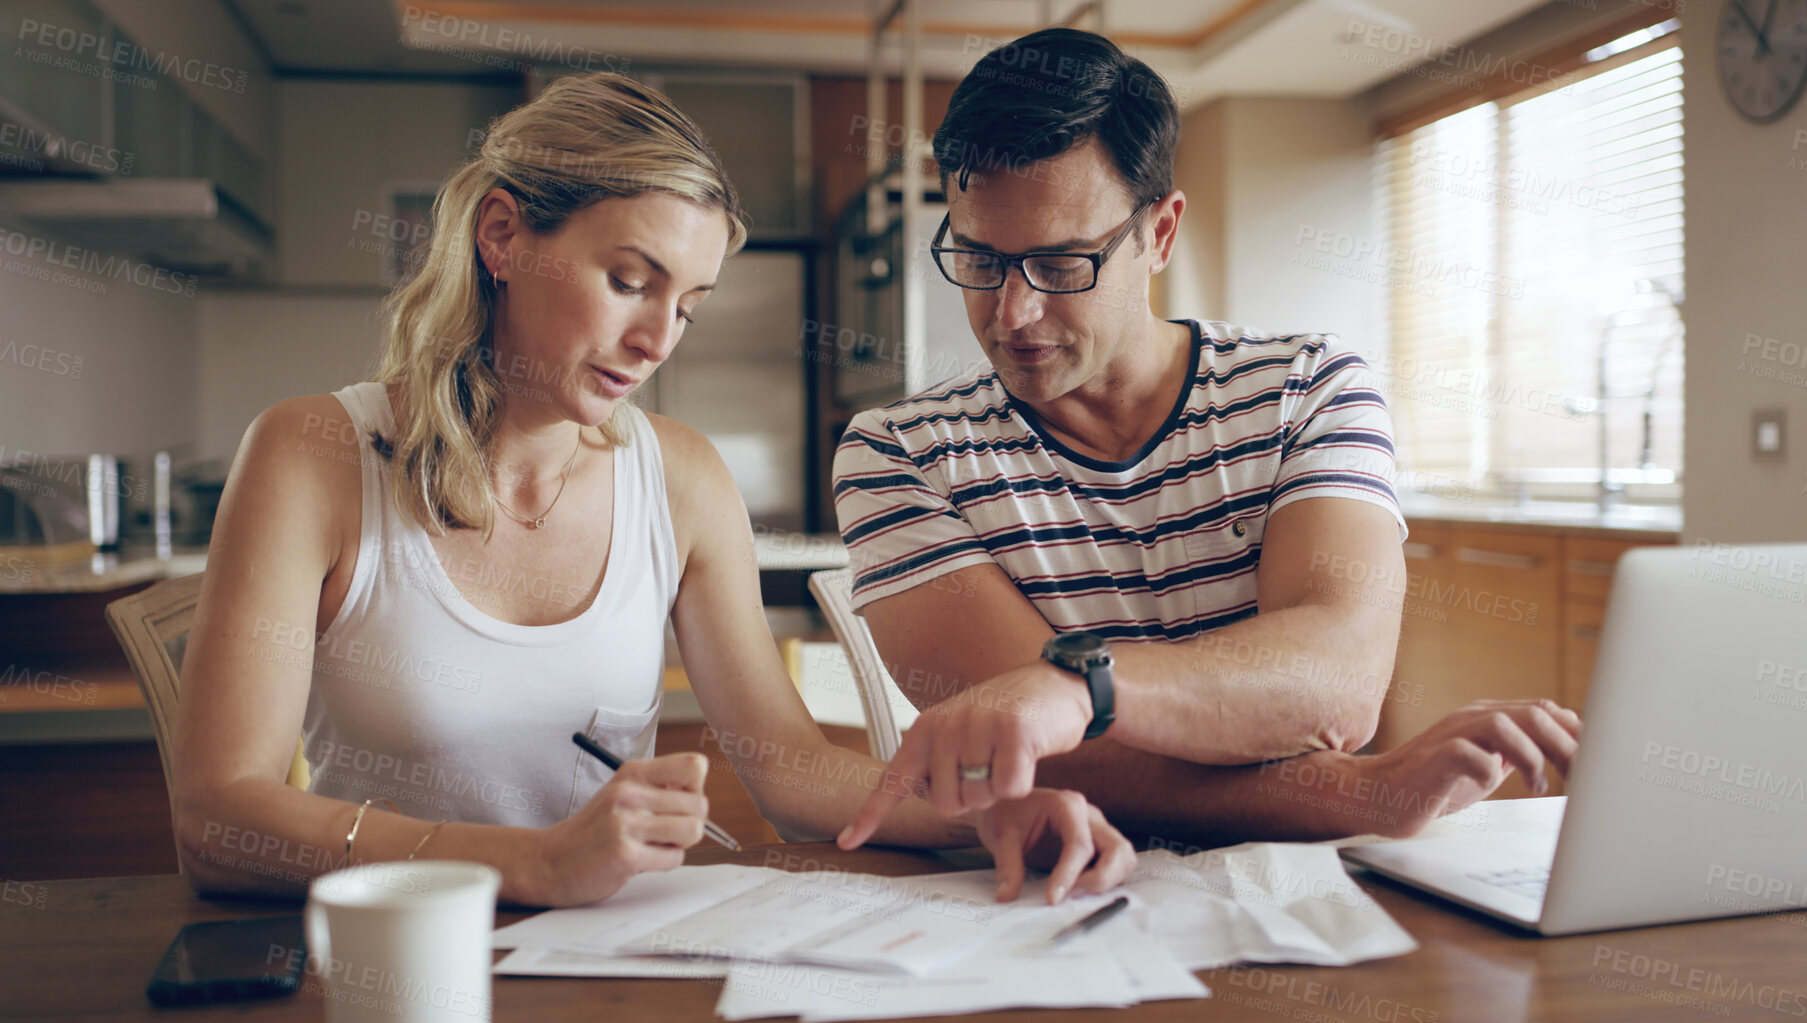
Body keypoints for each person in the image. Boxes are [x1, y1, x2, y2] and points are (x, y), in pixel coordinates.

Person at [171, 72, 1133, 908]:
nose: (658, 339)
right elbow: (218, 818)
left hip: (612, 964)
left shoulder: (679, 476)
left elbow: (791, 771)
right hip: (407, 960)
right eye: (630, 280)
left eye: (687, 306)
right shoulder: (311, 455)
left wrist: (988, 817)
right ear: (502, 235)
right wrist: (533, 861)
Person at [835, 29, 1578, 852]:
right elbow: (1038, 758)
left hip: (1301, 895)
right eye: (978, 257)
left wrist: (1080, 689)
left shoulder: (1308, 386)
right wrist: (1354, 794)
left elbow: (1337, 680)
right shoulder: (895, 451)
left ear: (1158, 233)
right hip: (1046, 887)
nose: (1011, 312)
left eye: (1061, 264)